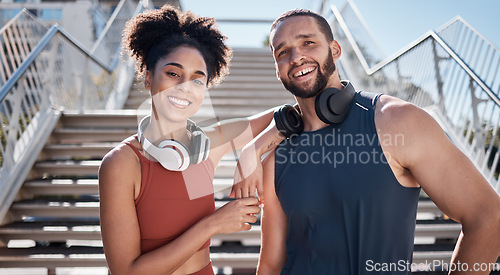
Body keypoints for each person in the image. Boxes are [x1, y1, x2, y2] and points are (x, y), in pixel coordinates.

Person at [230, 9, 500, 274]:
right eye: (282, 52)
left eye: (308, 42)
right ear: (277, 69)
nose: (296, 56)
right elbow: (271, 264)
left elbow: (488, 217)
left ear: (335, 50)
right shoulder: (276, 160)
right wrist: (252, 147)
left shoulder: (397, 120)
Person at [98, 5, 278, 274]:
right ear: (148, 78)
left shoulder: (208, 143)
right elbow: (127, 271)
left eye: (197, 79)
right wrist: (213, 224)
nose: (185, 87)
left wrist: (253, 149)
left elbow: (287, 115)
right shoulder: (121, 164)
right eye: (173, 73)